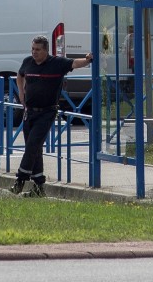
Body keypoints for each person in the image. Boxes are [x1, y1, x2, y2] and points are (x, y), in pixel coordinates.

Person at [9, 35, 93, 197]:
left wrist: (88, 59)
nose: (34, 52)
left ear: (46, 51)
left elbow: (75, 63)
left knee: (32, 145)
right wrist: (21, 93)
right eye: (33, 49)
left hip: (47, 112)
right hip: (30, 112)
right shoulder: (28, 62)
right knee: (34, 149)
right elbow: (20, 76)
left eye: (38, 50)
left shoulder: (56, 63)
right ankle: (39, 187)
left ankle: (20, 180)